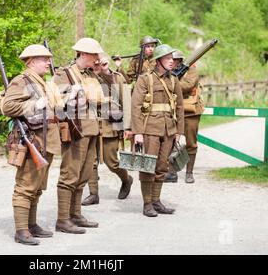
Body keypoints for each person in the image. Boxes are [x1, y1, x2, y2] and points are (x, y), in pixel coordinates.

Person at [0, 44, 62, 245]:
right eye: (45, 59)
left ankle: (32, 224)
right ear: (32, 61)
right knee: (25, 186)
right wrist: (33, 104)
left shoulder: (40, 82)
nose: (49, 62)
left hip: (46, 140)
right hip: (32, 139)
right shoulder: (22, 81)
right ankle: (21, 230)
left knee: (37, 187)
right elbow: (8, 106)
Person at [53, 37, 105, 234]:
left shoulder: (91, 74)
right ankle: (63, 219)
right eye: (94, 56)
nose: (97, 59)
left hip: (91, 129)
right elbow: (56, 100)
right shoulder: (64, 74)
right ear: (83, 54)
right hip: (75, 130)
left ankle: (75, 214)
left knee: (83, 174)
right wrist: (71, 95)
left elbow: (106, 92)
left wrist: (104, 71)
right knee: (70, 174)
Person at [131, 44, 184, 217]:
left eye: (173, 59)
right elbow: (136, 106)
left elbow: (180, 107)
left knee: (162, 166)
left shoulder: (174, 80)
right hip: (149, 128)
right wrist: (137, 132)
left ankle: (156, 200)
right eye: (168, 58)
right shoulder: (145, 79)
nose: (172, 61)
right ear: (159, 60)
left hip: (168, 129)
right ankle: (147, 203)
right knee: (148, 166)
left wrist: (179, 131)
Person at [82, 54, 133, 206]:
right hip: (90, 123)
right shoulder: (85, 75)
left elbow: (126, 102)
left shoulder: (115, 77)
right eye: (94, 63)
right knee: (91, 161)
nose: (96, 66)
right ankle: (93, 194)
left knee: (112, 162)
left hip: (110, 124)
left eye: (100, 64)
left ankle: (126, 179)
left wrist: (128, 127)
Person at [165, 50, 204, 183]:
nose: (172, 62)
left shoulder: (191, 71)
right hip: (174, 111)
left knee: (191, 143)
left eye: (175, 60)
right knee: (170, 141)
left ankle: (189, 173)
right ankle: (171, 172)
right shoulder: (167, 72)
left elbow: (187, 86)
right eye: (171, 60)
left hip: (190, 111)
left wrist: (170, 82)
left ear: (180, 61)